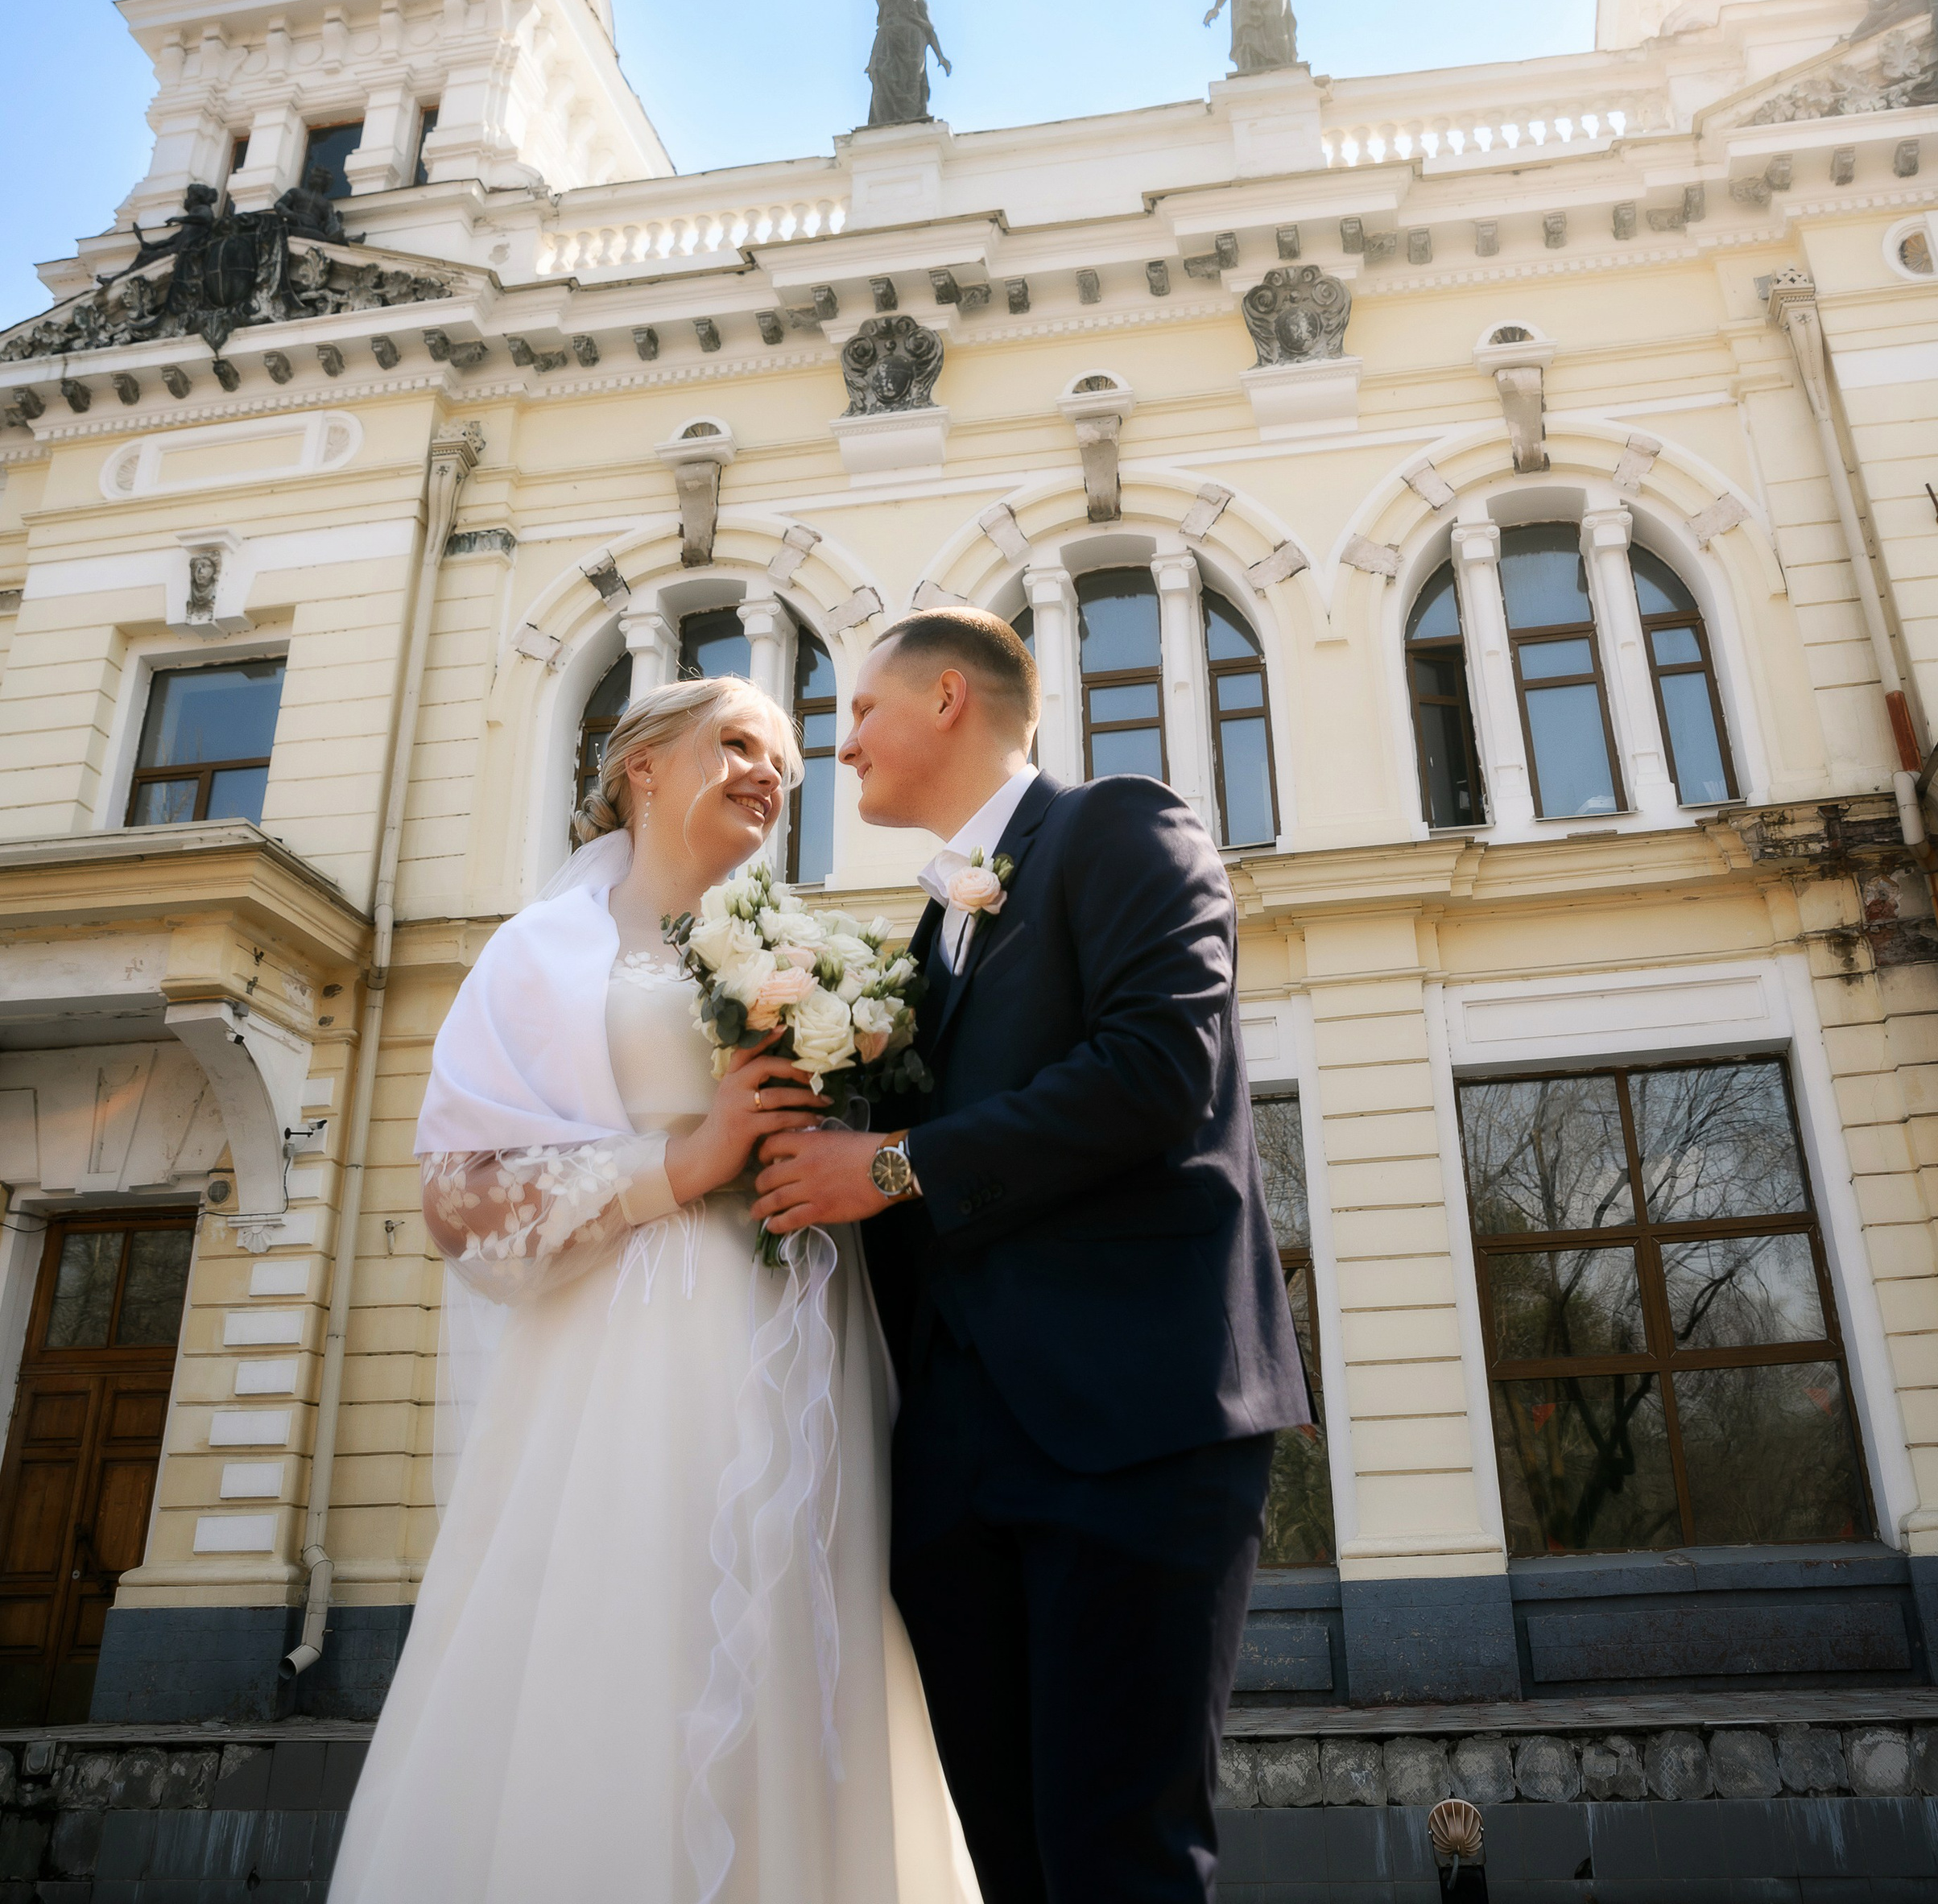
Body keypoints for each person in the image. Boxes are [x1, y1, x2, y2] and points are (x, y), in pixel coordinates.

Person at [329, 675, 975, 1904]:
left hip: (803, 1338)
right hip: (632, 1349)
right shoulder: (540, 955)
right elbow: (457, 1201)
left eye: (783, 759)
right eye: (737, 745)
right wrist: (680, 1162)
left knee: (807, 1636)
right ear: (641, 768)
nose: (769, 775)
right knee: (639, 1628)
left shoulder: (810, 950)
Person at [753, 609, 1310, 1903]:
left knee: (1119, 1857)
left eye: (863, 716)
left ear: (949, 698)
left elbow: (1156, 1074)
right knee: (1014, 1867)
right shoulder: (924, 940)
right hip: (954, 1468)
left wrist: (887, 1166)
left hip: (1130, 1431)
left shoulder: (1123, 827)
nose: (845, 754)